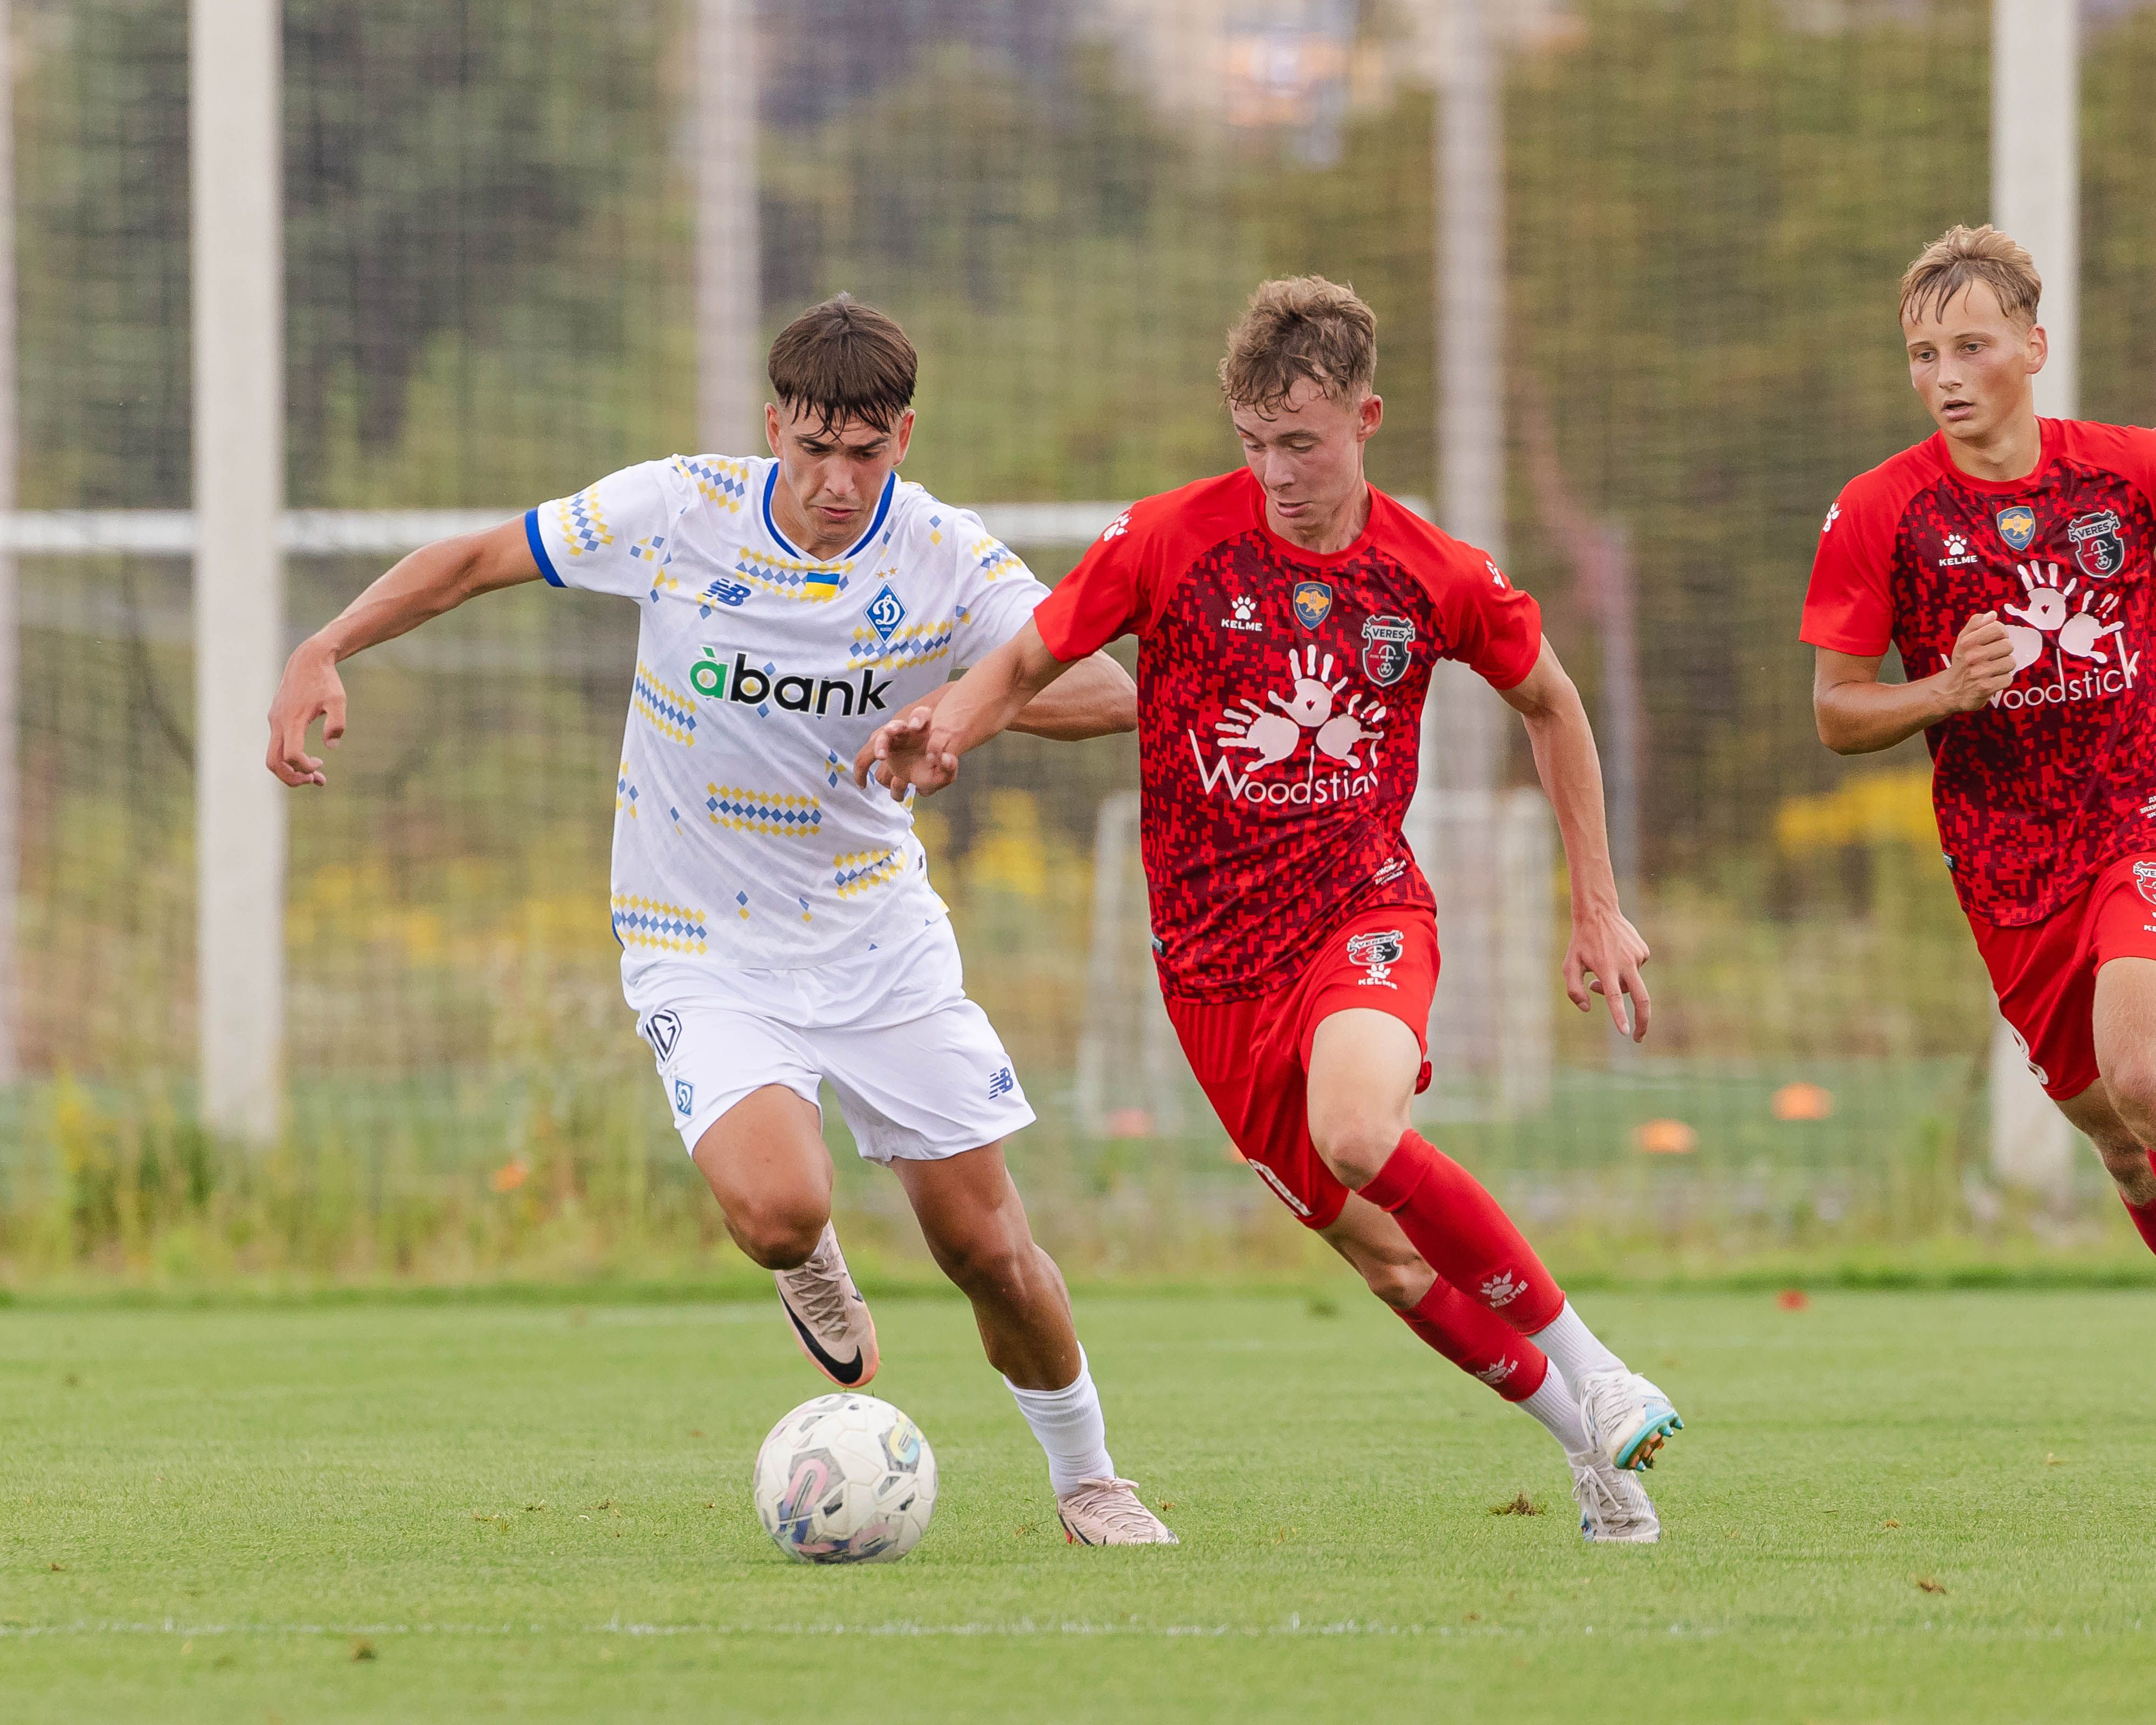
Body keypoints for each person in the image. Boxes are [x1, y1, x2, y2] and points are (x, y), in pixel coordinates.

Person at [266, 294, 1177, 1546]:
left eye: (864, 455)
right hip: (697, 938)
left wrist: (961, 712)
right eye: (812, 451)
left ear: (902, 438)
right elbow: (477, 558)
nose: (836, 482)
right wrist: (328, 641)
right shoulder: (675, 510)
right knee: (775, 1211)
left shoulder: (945, 554)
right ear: (773, 429)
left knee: (984, 1243)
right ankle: (809, 1264)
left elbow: (1096, 687)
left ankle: (1089, 1482)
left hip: (874, 939)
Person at [859, 277, 1682, 1543]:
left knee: (1358, 1130)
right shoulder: (1170, 541)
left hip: (1362, 908)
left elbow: (1551, 702)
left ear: (1364, 417)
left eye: (1299, 444)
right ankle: (1586, 1444)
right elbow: (1027, 656)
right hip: (1209, 972)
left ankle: (1596, 1362)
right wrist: (950, 727)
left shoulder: (1430, 569)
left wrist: (1597, 905)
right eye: (1252, 445)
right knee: (1386, 1257)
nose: (1276, 472)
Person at [1804, 223, 2156, 1252]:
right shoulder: (1882, 511)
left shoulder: (2126, 472)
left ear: (2034, 349)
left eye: (1973, 347)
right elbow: (1837, 709)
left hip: (2139, 818)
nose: (1946, 376)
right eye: (1925, 355)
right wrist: (1946, 691)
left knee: (2143, 1071)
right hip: (2006, 866)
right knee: (2123, 1139)